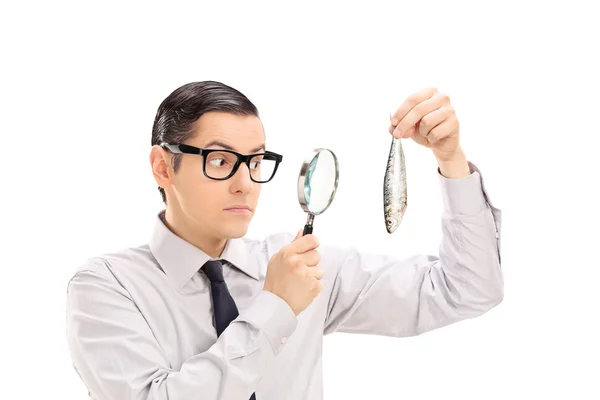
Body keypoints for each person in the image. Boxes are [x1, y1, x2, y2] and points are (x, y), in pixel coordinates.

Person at [65, 80, 503, 399]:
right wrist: (276, 307)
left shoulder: (302, 266)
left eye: (255, 161)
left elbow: (467, 289)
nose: (245, 184)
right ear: (163, 167)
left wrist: (452, 160)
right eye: (220, 160)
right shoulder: (106, 287)